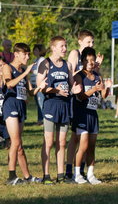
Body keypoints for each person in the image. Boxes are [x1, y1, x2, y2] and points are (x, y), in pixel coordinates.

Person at [2, 43, 42, 184]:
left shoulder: (24, 70)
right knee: (15, 142)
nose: (27, 56)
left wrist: (41, 86)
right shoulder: (8, 67)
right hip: (10, 105)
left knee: (19, 145)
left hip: (21, 107)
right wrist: (25, 73)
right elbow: (9, 84)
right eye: (25, 54)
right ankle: (11, 177)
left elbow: (30, 92)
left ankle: (27, 176)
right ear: (16, 54)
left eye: (28, 54)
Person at [66, 29, 102, 181]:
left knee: (89, 145)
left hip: (92, 111)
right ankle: (73, 171)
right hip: (80, 109)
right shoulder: (76, 56)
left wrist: (103, 87)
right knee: (80, 142)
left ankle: (88, 173)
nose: (91, 44)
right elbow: (77, 89)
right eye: (88, 41)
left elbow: (101, 94)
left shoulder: (95, 72)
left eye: (92, 42)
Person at [38, 36, 75, 184]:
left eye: (65, 46)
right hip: (51, 106)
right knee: (48, 142)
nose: (64, 49)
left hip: (64, 107)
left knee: (62, 142)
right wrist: (55, 90)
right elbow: (40, 87)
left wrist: (76, 88)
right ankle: (46, 175)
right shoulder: (45, 64)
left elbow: (72, 84)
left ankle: (60, 175)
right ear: (53, 47)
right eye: (62, 46)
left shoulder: (68, 65)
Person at [72, 47, 111, 184]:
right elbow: (80, 96)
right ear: (82, 61)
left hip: (93, 114)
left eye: (92, 60)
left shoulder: (97, 76)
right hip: (82, 113)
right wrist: (94, 89)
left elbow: (104, 96)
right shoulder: (78, 76)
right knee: (83, 145)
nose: (90, 62)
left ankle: (91, 174)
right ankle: (76, 174)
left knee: (92, 146)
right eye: (87, 60)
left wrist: (107, 87)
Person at [31, 44, 47, 125]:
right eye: (34, 50)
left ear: (41, 51)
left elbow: (40, 72)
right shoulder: (35, 60)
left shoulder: (42, 59)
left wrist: (30, 71)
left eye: (36, 50)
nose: (34, 51)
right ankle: (40, 119)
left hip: (39, 84)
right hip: (34, 84)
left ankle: (45, 120)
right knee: (38, 103)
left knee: (41, 102)